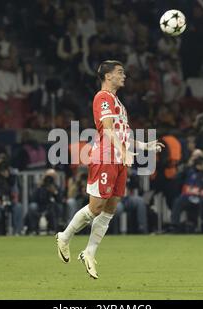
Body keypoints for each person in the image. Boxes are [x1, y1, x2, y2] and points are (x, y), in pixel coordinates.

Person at [56, 60, 164, 279]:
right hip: (105, 156)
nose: (124, 76)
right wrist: (123, 152)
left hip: (118, 159)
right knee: (95, 207)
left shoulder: (118, 102)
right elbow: (107, 129)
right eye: (120, 72)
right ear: (107, 76)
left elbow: (123, 132)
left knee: (110, 208)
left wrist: (145, 146)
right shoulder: (102, 97)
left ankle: (89, 252)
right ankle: (64, 237)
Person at [171, 156, 203, 233]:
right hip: (188, 197)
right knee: (178, 201)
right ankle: (175, 227)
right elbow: (176, 177)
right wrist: (187, 166)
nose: (199, 165)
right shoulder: (188, 171)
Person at [27, 169, 65, 235]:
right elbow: (32, 199)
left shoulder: (57, 188)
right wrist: (39, 187)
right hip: (40, 206)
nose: (49, 179)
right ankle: (33, 229)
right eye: (48, 176)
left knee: (56, 206)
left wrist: (54, 192)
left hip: (52, 207)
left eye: (52, 176)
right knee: (32, 206)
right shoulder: (39, 186)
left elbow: (60, 200)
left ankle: (54, 229)